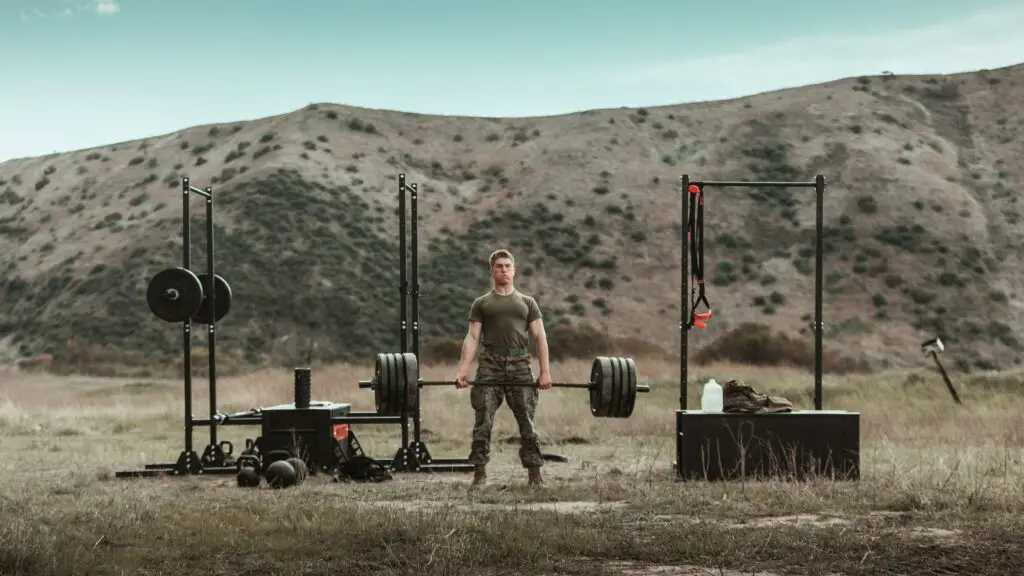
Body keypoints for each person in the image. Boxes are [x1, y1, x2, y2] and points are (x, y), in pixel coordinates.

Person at [455, 248, 552, 488]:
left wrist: (545, 372)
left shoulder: (528, 302)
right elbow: (472, 337)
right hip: (490, 365)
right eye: (499, 267)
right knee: (483, 421)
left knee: (527, 423)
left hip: (520, 365)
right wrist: (462, 370)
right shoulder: (482, 303)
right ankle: (479, 476)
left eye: (508, 266)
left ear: (514, 270)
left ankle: (535, 476)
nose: (504, 271)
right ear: (492, 271)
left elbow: (540, 337)